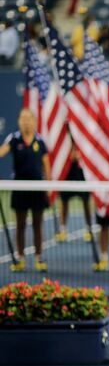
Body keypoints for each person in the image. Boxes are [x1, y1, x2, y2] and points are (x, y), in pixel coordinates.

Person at [0, 109, 51, 272]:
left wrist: (48, 186)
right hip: (19, 188)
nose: (26, 121)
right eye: (23, 118)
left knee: (38, 224)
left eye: (29, 118)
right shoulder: (14, 139)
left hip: (37, 189)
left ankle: (38, 258)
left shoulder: (40, 141)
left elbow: (46, 165)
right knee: (20, 225)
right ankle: (20, 258)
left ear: (34, 121)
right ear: (19, 121)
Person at [56, 142, 93, 243]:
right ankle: (62, 229)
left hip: (81, 172)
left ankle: (89, 229)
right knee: (64, 201)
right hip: (67, 171)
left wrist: (80, 155)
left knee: (86, 202)